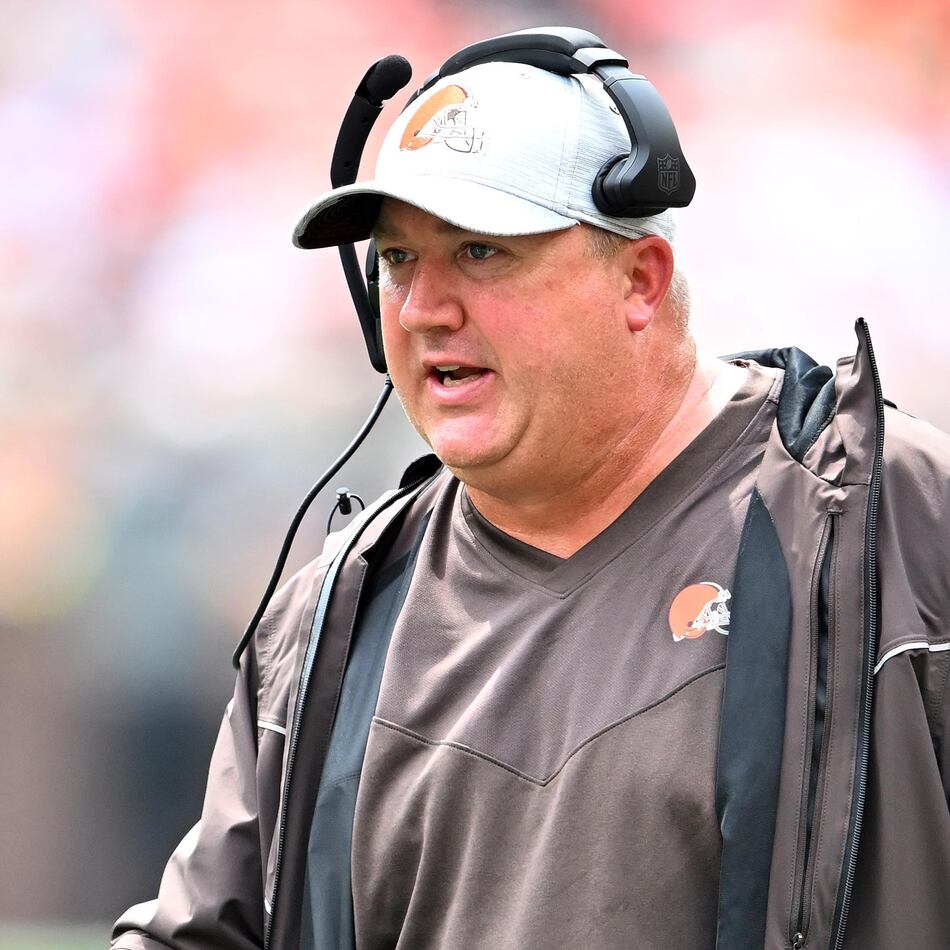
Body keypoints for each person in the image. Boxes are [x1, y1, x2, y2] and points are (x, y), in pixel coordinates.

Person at [111, 29, 950, 950]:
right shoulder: (334, 618)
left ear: (640, 279)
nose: (425, 306)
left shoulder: (888, 516)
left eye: (479, 252)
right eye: (396, 260)